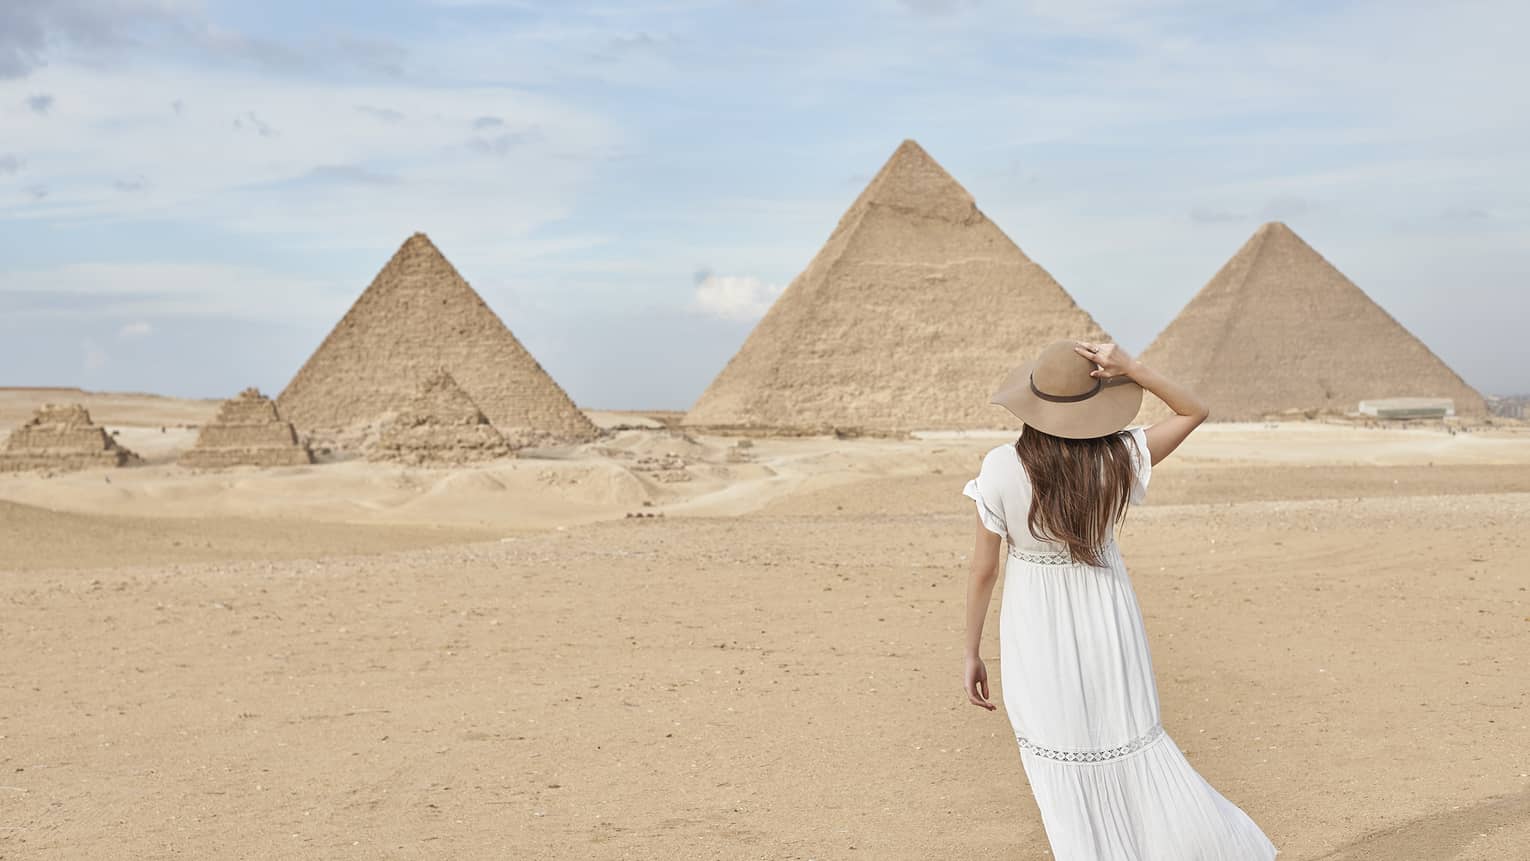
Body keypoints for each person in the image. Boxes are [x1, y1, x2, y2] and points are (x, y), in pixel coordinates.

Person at [961, 340, 1276, 860]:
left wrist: (971, 652)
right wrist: (1132, 367)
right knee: (1126, 737)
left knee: (1059, 754)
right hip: (1107, 612)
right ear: (1094, 402)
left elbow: (983, 571)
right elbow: (1195, 410)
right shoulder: (1121, 455)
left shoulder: (998, 468)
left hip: (1036, 625)